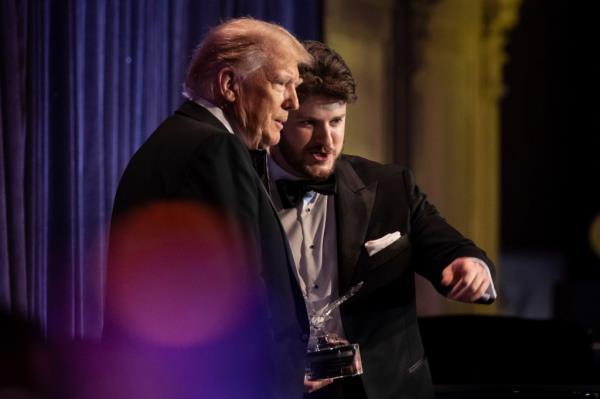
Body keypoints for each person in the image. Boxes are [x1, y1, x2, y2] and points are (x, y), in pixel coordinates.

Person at [263, 41, 497, 399]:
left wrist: (469, 264)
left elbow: (447, 246)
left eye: (337, 122)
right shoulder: (244, 191)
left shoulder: (390, 186)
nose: (326, 141)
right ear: (279, 118)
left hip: (380, 389)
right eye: (308, 123)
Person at [105, 18, 312, 399]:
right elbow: (238, 294)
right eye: (282, 83)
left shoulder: (177, 139)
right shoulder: (213, 149)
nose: (294, 103)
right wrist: (275, 375)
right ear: (230, 84)